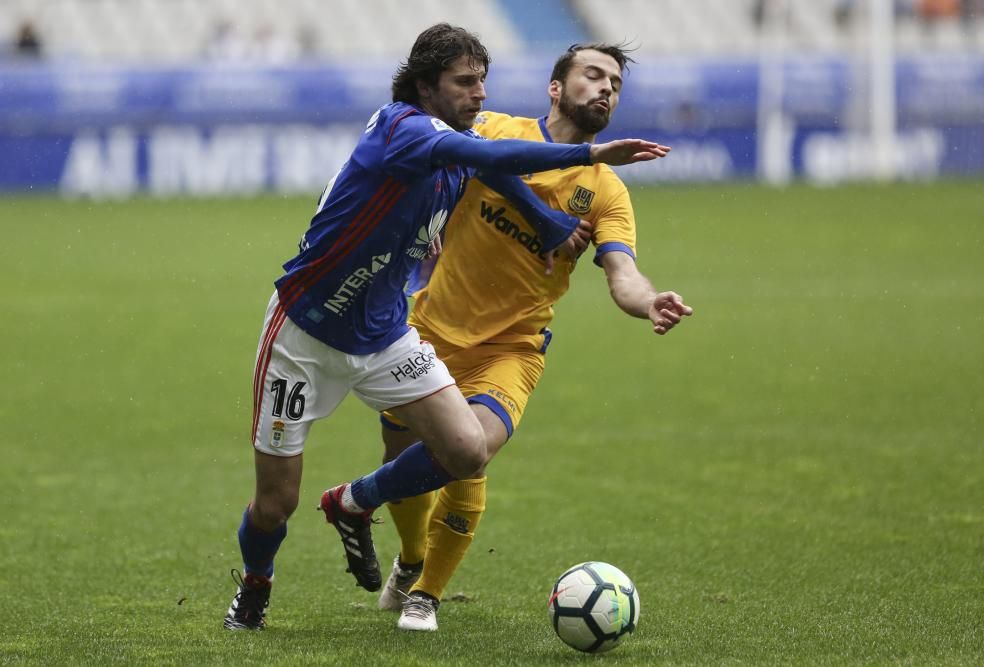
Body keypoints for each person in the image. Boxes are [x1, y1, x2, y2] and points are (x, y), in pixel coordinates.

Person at [223, 24, 669, 631]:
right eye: (465, 82)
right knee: (276, 505)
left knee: (465, 451)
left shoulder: (480, 146)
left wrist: (544, 221)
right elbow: (488, 158)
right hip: (304, 333)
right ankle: (255, 584)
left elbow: (493, 173)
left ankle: (392, 549)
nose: (479, 94)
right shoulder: (402, 129)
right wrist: (587, 154)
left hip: (388, 335)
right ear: (428, 86)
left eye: (483, 80)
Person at [371, 42, 694, 631]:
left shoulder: (606, 190)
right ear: (555, 86)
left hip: (511, 349)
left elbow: (622, 273)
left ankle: (427, 594)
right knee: (403, 464)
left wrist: (649, 300)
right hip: (426, 330)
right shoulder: (493, 129)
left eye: (615, 84)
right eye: (593, 75)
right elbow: (456, 160)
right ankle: (411, 561)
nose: (605, 89)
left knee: (469, 454)